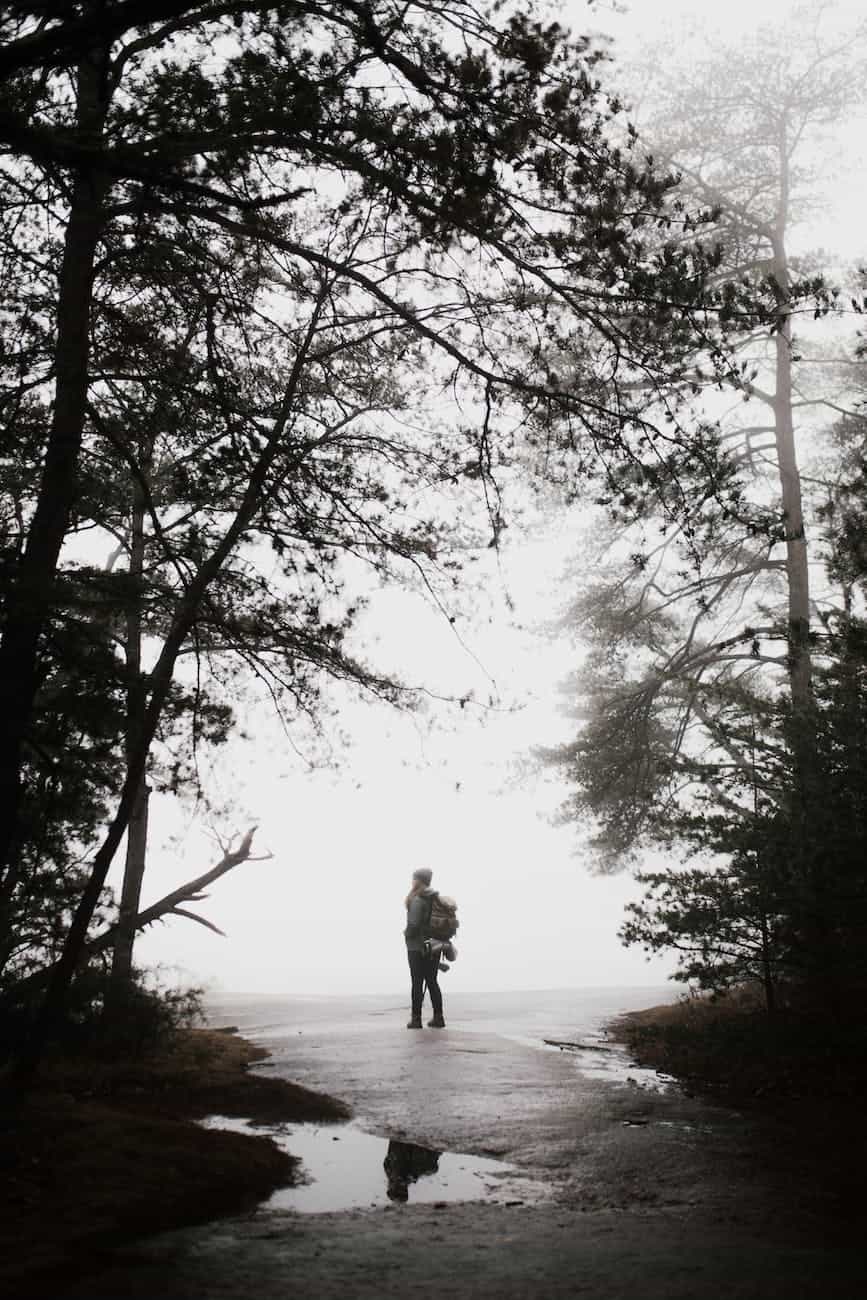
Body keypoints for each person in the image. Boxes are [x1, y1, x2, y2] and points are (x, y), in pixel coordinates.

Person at [404, 867, 445, 1029]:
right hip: (434, 946)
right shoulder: (436, 899)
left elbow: (413, 925)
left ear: (418, 881)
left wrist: (406, 934)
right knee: (432, 981)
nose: (411, 881)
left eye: (413, 878)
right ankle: (438, 1017)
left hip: (417, 947)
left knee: (417, 982)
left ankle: (416, 1019)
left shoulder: (417, 899)